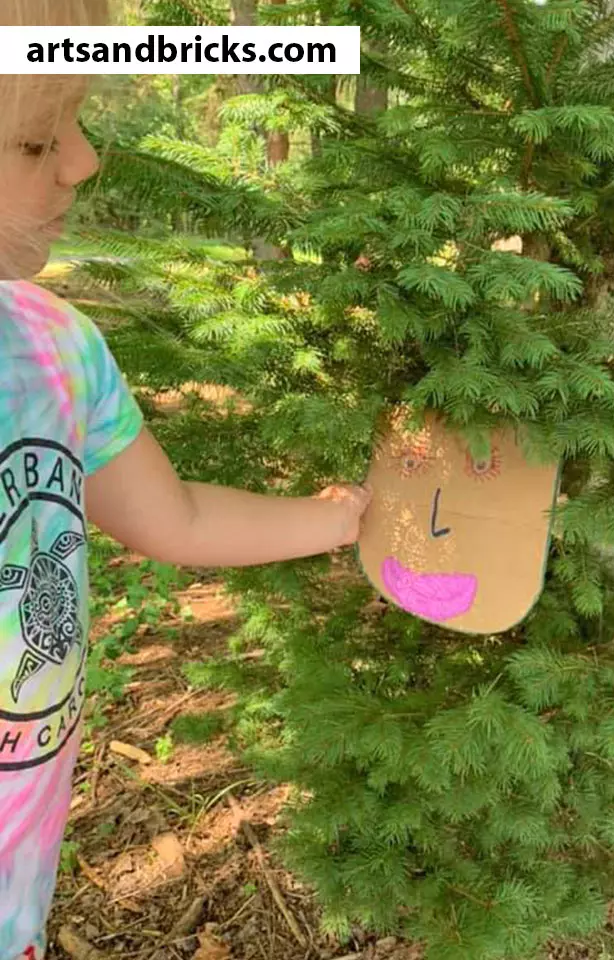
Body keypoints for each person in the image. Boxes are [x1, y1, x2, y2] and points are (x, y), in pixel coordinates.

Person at [0, 2, 373, 957]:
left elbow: (181, 515)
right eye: (40, 137)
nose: (82, 163)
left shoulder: (53, 347)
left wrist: (338, 522)